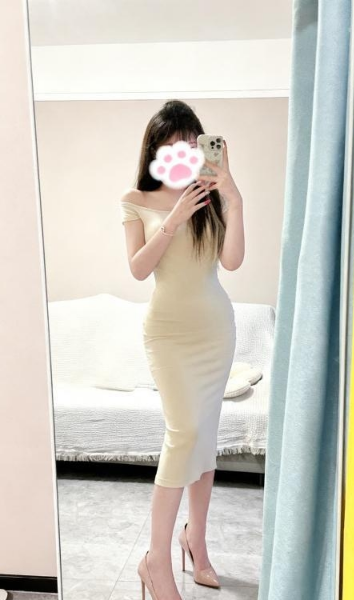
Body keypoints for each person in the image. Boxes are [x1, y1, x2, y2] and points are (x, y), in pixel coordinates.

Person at [120, 100, 244, 600]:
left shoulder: (211, 195)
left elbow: (232, 262)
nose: (186, 151)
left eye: (193, 143)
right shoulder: (136, 199)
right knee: (184, 433)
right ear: (156, 149)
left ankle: (196, 540)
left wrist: (232, 197)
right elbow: (138, 268)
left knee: (205, 439)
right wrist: (172, 218)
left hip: (216, 331)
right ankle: (156, 560)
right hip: (168, 335)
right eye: (174, 143)